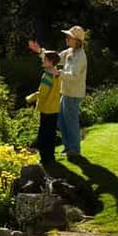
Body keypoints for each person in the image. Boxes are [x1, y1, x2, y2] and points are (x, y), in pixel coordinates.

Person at [29, 25, 88, 156]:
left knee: (71, 121)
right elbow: (54, 58)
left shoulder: (80, 56)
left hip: (74, 94)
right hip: (66, 92)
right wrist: (40, 51)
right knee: (61, 120)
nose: (66, 39)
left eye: (69, 37)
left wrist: (58, 73)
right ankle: (69, 147)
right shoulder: (70, 52)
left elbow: (73, 76)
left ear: (77, 40)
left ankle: (74, 149)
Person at [26, 50, 61, 165]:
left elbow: (42, 93)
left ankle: (44, 159)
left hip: (46, 109)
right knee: (51, 134)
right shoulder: (57, 74)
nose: (43, 60)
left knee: (43, 134)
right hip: (55, 108)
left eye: (45, 59)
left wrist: (30, 98)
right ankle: (50, 157)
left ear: (51, 62)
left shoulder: (47, 75)